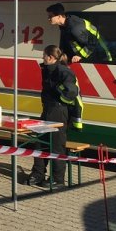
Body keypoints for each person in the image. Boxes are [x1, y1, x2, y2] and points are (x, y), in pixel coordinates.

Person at [28, 45, 79, 189]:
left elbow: (71, 92)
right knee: (39, 142)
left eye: (44, 55)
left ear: (50, 57)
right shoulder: (47, 69)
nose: (42, 58)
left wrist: (57, 89)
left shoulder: (63, 71)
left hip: (58, 111)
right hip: (47, 110)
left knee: (57, 146)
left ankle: (58, 179)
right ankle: (38, 174)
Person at [46, 3, 112, 63]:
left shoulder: (75, 28)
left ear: (59, 16)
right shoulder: (65, 25)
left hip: (98, 57)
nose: (48, 18)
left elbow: (92, 43)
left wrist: (80, 56)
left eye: (50, 16)